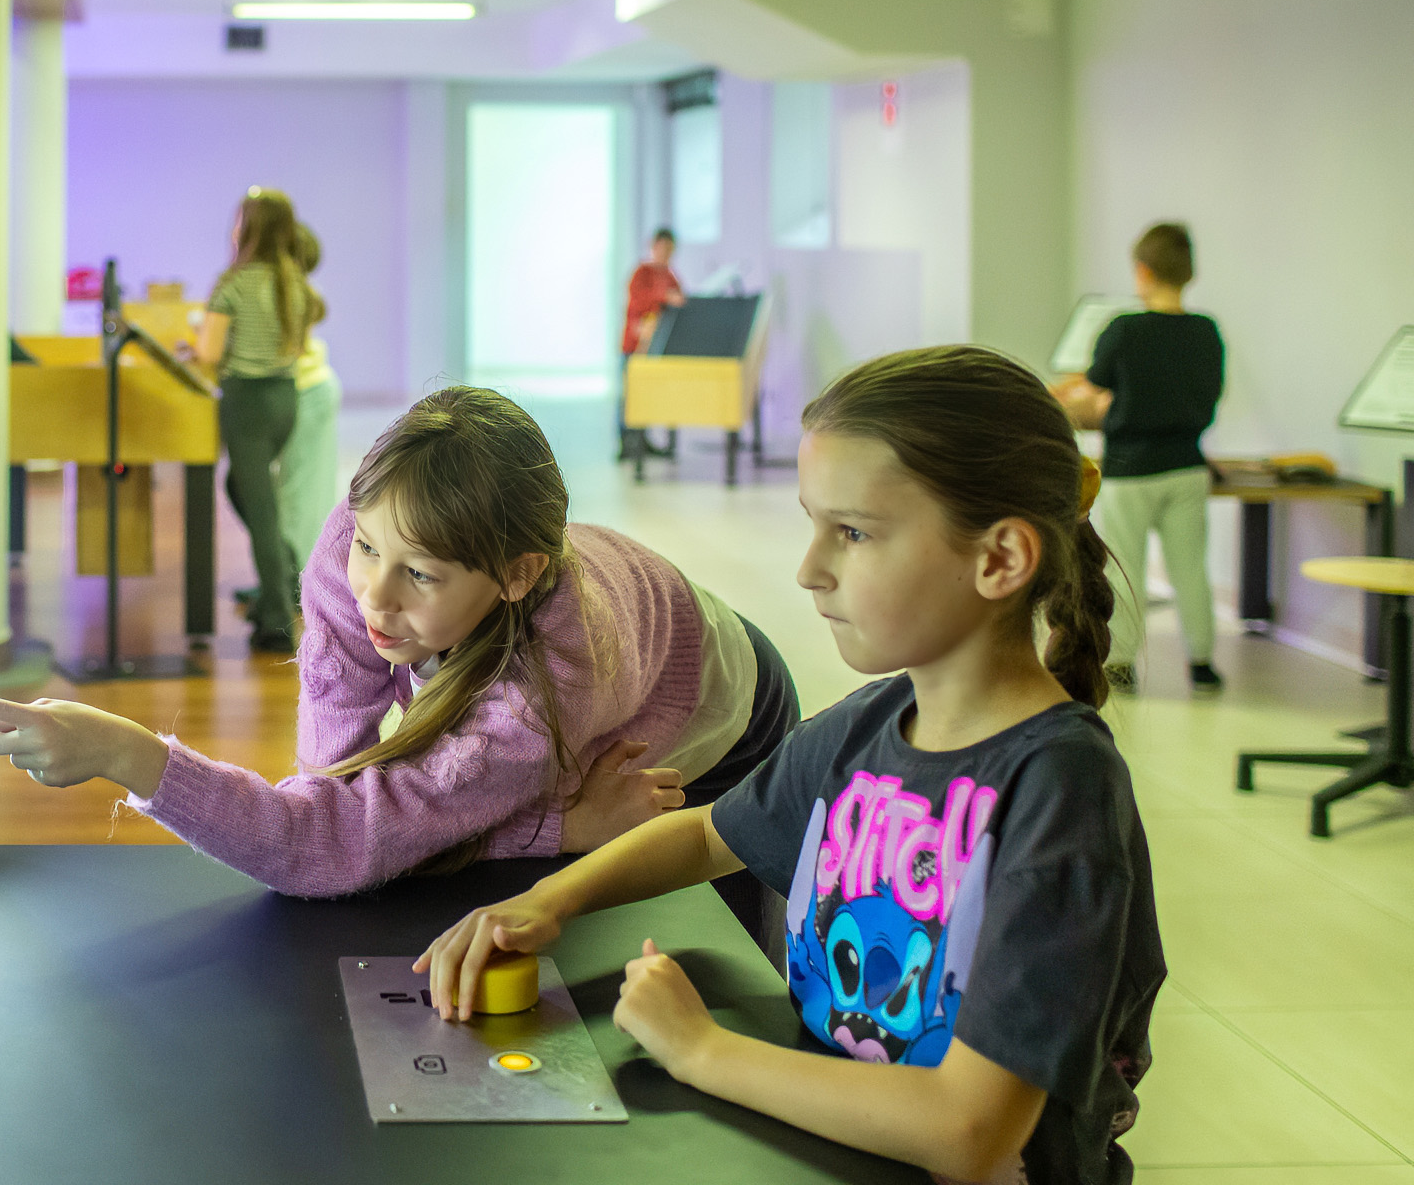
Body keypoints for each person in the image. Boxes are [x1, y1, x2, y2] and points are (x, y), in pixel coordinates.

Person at [420, 347, 1165, 1185]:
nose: (810, 570)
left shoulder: (1060, 787)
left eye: (854, 533)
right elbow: (708, 835)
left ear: (999, 560)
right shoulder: (870, 725)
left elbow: (970, 1131)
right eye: (815, 526)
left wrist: (702, 1050)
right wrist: (547, 901)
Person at [0, 386, 800, 910]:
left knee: (702, 964)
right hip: (605, 652)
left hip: (725, 725)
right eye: (368, 547)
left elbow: (337, 842)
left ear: (515, 575)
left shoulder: (546, 687)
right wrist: (558, 826)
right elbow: (333, 802)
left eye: (421, 574)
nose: (373, 598)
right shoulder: (350, 555)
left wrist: (129, 754)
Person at [1054, 222, 1225, 695]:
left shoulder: (1124, 330)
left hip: (1130, 469)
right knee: (1191, 569)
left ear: (1143, 271)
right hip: (1188, 467)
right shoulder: (1207, 332)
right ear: (1188, 272)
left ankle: (1122, 664)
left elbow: (1094, 387)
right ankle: (1203, 663)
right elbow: (1208, 394)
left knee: (1124, 567)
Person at [199, 187, 308, 653]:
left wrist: (197, 349)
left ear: (249, 229)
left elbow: (208, 353)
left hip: (247, 403)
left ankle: (278, 619)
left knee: (260, 509)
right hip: (284, 399)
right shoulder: (294, 281)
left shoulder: (235, 283)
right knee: (242, 489)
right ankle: (286, 575)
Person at [236, 222, 342, 618]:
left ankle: (296, 587)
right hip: (302, 392)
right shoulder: (284, 288)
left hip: (308, 393)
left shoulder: (289, 290)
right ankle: (280, 579)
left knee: (300, 497)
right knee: (283, 494)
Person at [619, 227, 686, 460]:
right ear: (654, 246)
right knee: (628, 396)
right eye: (663, 248)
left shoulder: (670, 276)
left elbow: (680, 299)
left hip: (655, 349)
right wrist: (665, 297)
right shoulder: (642, 272)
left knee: (647, 397)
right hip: (634, 347)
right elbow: (639, 300)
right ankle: (626, 443)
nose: (666, 254)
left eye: (670, 250)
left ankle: (642, 441)